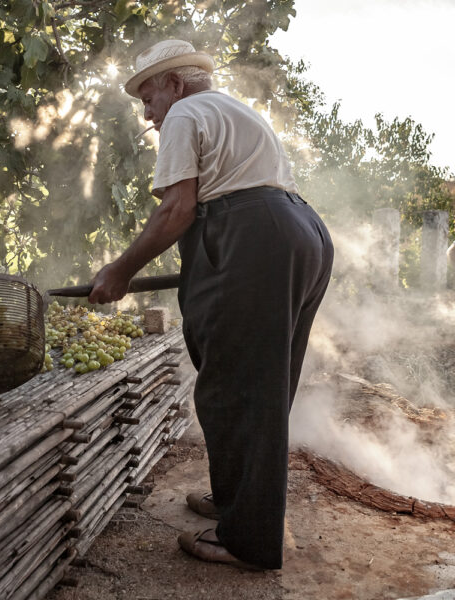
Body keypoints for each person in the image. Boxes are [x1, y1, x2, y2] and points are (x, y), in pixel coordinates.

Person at [88, 39, 334, 570]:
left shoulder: (184, 114)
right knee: (251, 382)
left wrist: (120, 270)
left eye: (148, 97)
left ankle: (248, 541)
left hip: (256, 236)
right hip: (300, 232)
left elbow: (177, 210)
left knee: (243, 389)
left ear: (175, 84)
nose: (147, 113)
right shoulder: (233, 109)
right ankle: (233, 502)